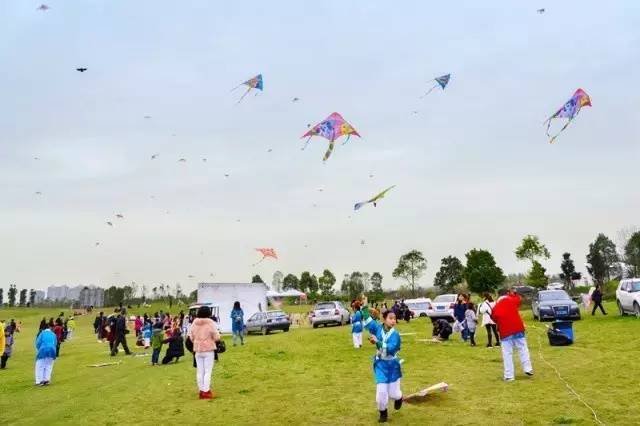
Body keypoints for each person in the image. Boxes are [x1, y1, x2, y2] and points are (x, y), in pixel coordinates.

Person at [361, 302, 403, 424]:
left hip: (393, 365)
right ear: (384, 319)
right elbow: (368, 321)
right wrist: (364, 307)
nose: (393, 321)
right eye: (390, 318)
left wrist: (377, 342)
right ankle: (383, 412)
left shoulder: (396, 335)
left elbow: (391, 349)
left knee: (393, 394)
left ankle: (399, 398)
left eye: (394, 318)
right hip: (380, 365)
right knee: (381, 392)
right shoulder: (378, 328)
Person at [491, 288, 533, 381]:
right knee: (523, 348)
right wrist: (514, 293)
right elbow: (518, 299)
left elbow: (494, 317)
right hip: (518, 328)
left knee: (507, 353)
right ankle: (528, 368)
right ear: (508, 293)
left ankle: (509, 375)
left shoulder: (496, 305)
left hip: (505, 331)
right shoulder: (512, 299)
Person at [188, 306, 220, 400]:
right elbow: (216, 337)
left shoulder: (194, 322)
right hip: (208, 349)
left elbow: (190, 337)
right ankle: (206, 391)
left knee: (200, 371)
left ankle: (201, 390)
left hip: (197, 349)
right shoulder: (210, 322)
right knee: (207, 371)